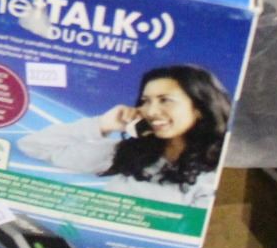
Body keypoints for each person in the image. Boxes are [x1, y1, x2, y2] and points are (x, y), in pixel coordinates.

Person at [18, 65, 232, 208]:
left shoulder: (211, 174)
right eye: (145, 101)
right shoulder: (130, 153)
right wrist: (102, 124)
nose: (151, 111)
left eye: (165, 100)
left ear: (199, 108)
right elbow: (32, 146)